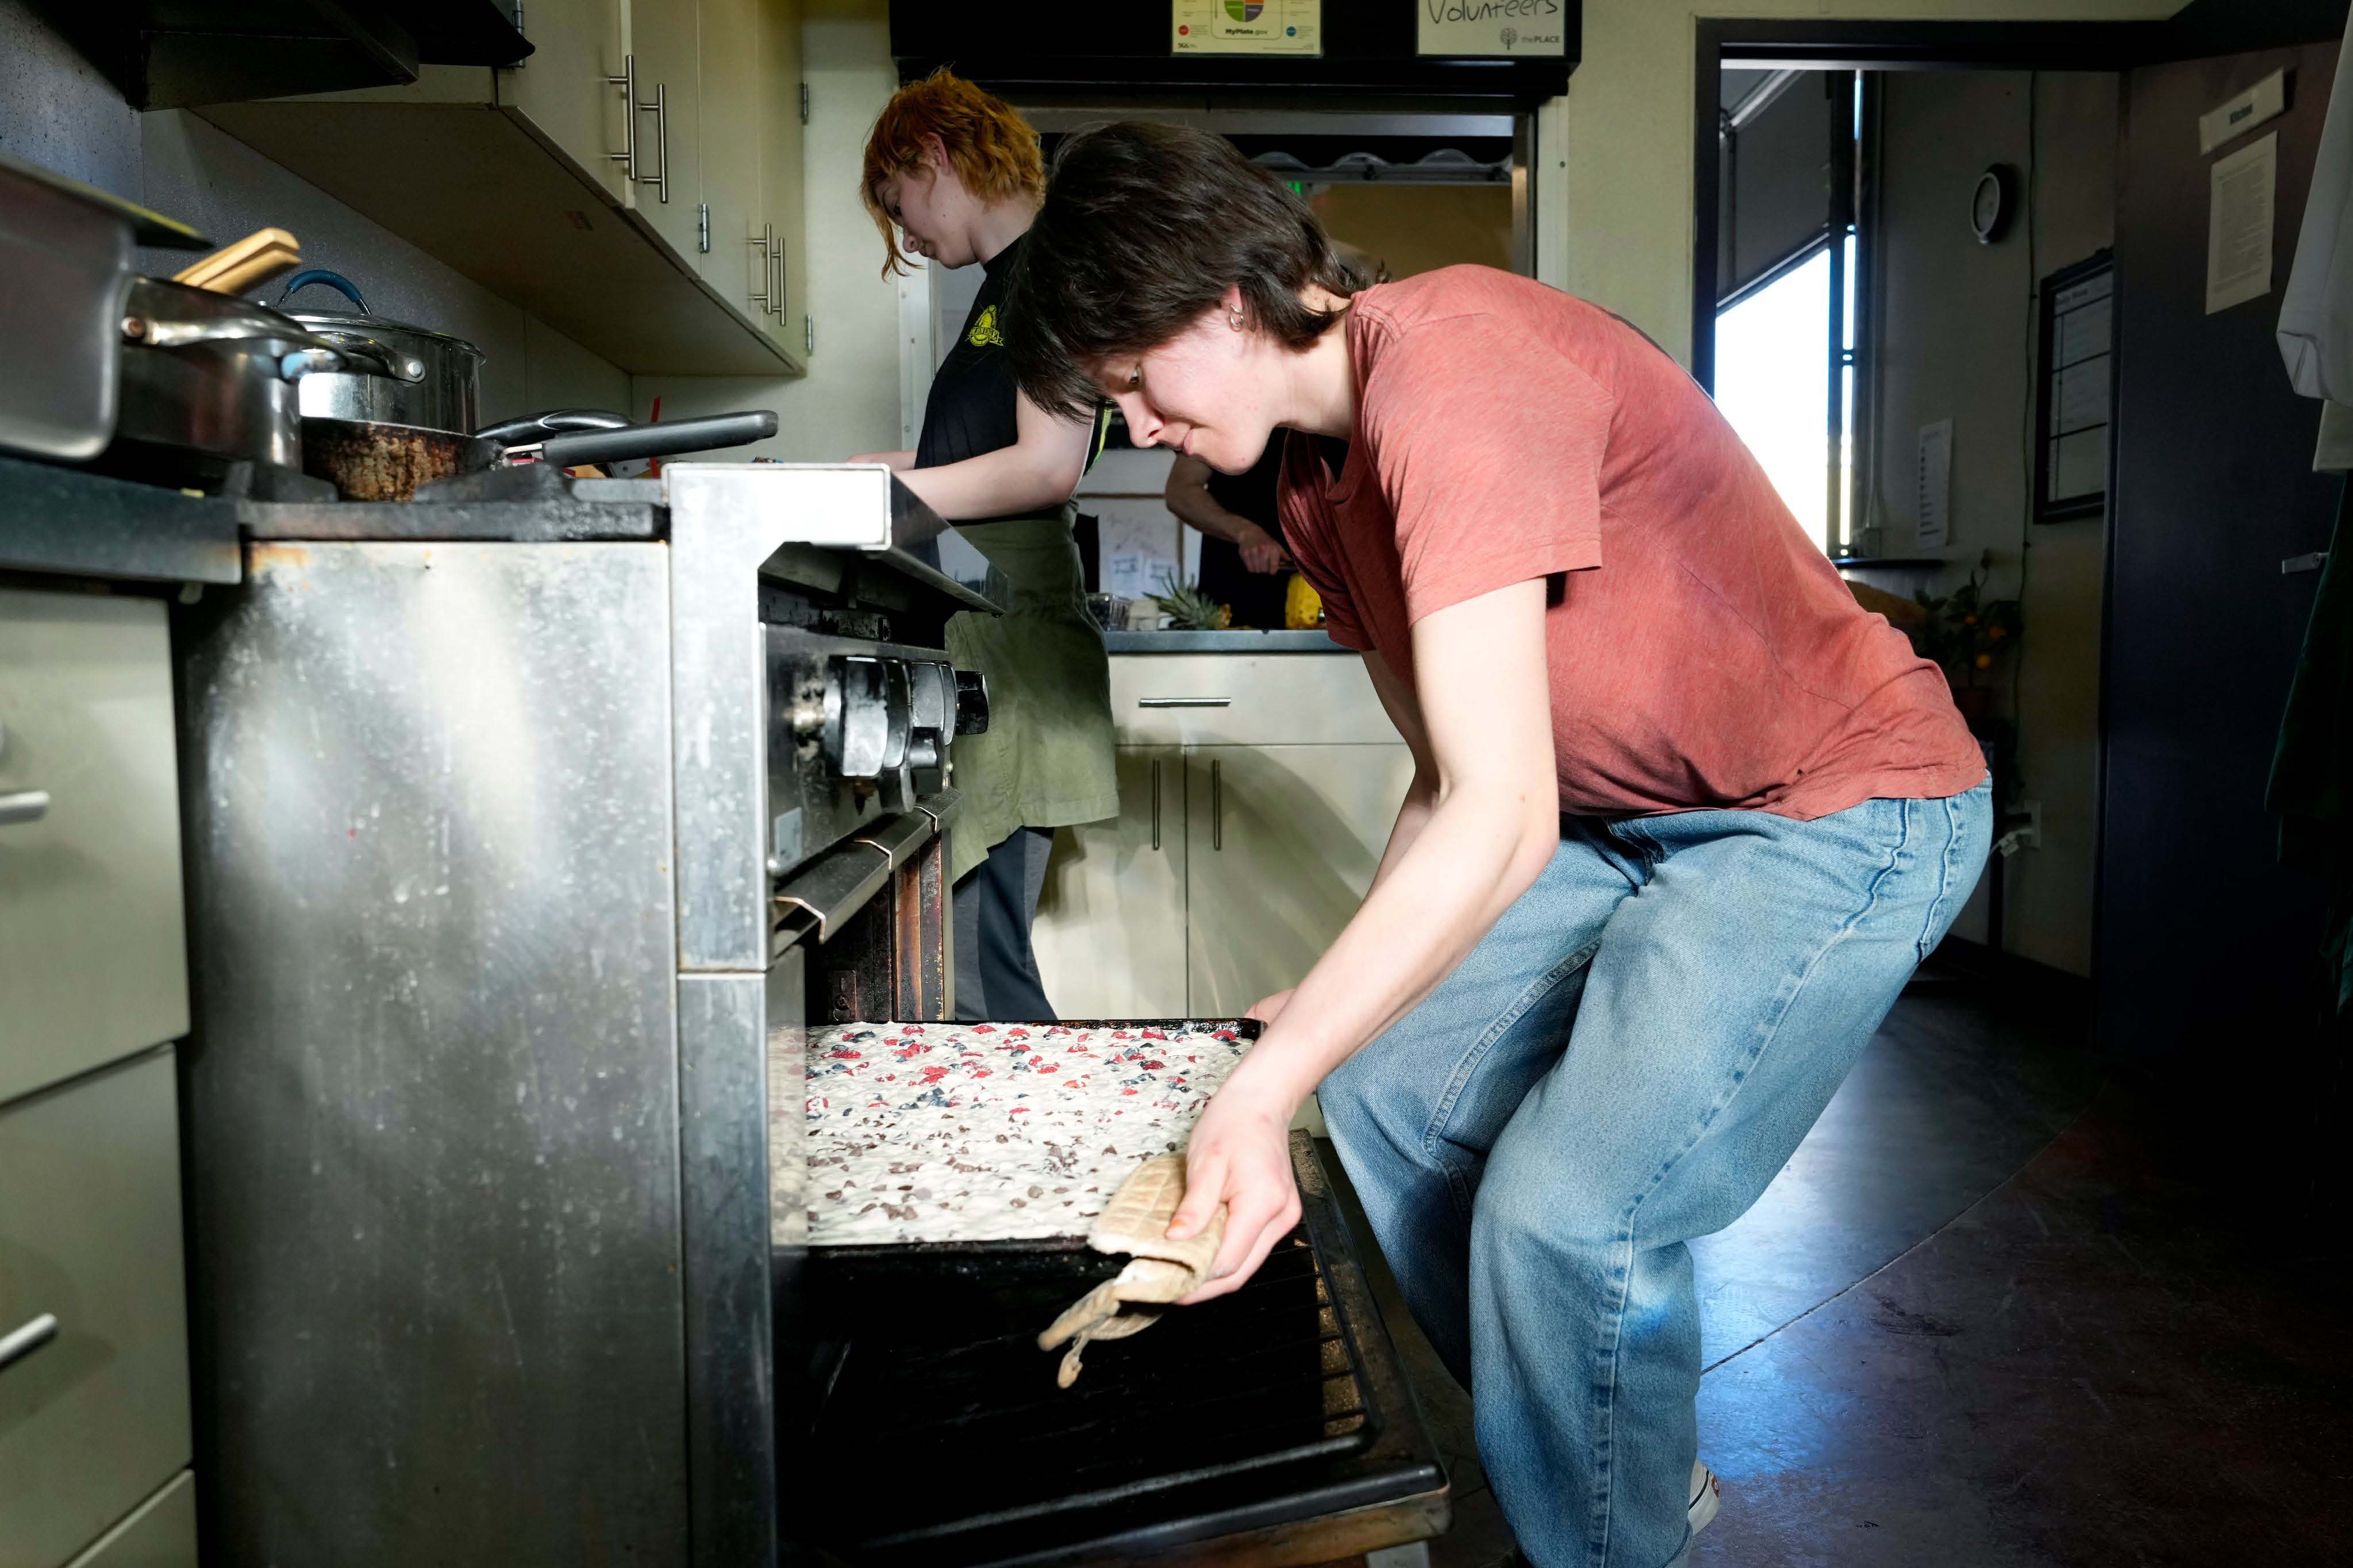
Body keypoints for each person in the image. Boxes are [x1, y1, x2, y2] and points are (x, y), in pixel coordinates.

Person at [1002, 122, 1990, 1568]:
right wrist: (1333, 1007)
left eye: (1131, 383)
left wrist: (1263, 1084)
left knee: (1564, 1212)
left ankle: (1602, 1528)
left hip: (1833, 809)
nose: (1134, 427)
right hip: (1633, 824)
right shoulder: (1307, 486)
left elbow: (1501, 816)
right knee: (1389, 1082)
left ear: (1219, 299)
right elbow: (1448, 777)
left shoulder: (1451, 363)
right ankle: (1616, 1466)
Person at [850, 70, 1116, 1022]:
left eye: (898, 203)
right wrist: (842, 479)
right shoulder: (1002, 287)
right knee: (974, 963)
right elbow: (967, 460)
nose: (908, 236)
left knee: (977, 976)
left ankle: (1061, 1167)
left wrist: (883, 491)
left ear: (934, 157)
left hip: (1024, 665)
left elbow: (1046, 466)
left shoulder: (1046, 268)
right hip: (1001, 657)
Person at [1164, 445, 1290, 629]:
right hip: (1234, 600)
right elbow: (1181, 491)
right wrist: (1245, 533)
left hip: (1327, 601)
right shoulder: (1225, 417)